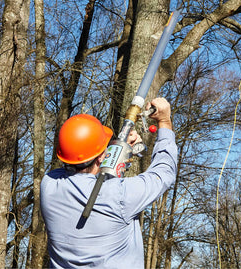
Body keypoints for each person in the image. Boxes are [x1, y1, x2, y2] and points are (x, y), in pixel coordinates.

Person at [40, 97, 177, 269]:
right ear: (100, 157)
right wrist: (164, 121)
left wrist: (116, 149)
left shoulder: (49, 185)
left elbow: (85, 169)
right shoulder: (120, 196)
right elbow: (164, 172)